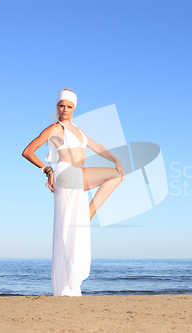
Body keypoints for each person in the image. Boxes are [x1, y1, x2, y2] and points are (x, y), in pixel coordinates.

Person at [22, 88, 125, 296]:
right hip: (66, 174)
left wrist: (115, 159)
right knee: (113, 178)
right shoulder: (55, 129)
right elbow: (28, 151)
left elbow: (97, 146)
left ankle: (86, 216)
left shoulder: (78, 130)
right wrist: (47, 169)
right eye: (62, 106)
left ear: (74, 108)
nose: (65, 110)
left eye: (69, 107)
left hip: (75, 176)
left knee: (117, 174)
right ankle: (87, 216)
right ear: (57, 106)